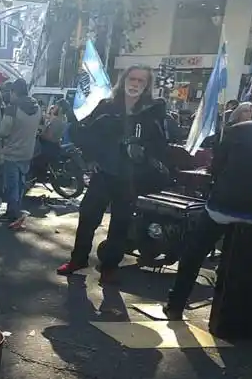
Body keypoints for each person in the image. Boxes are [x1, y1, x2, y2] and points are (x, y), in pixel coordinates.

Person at [56, 65, 169, 284]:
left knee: (120, 224)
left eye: (141, 81)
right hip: (104, 173)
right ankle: (78, 260)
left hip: (131, 178)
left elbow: (161, 144)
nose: (135, 84)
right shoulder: (107, 106)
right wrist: (90, 159)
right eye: (132, 78)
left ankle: (109, 267)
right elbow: (88, 133)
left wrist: (143, 152)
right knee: (87, 217)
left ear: (147, 85)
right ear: (124, 80)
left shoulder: (152, 111)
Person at [163, 96, 252, 320]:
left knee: (194, 253)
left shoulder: (236, 131)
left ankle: (176, 304)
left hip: (223, 207)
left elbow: (216, 167)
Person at [0, 78, 40, 224]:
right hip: (28, 152)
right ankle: (16, 209)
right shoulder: (37, 107)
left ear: (14, 92)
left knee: (12, 186)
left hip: (12, 153)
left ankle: (12, 213)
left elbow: (3, 131)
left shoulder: (12, 109)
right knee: (20, 184)